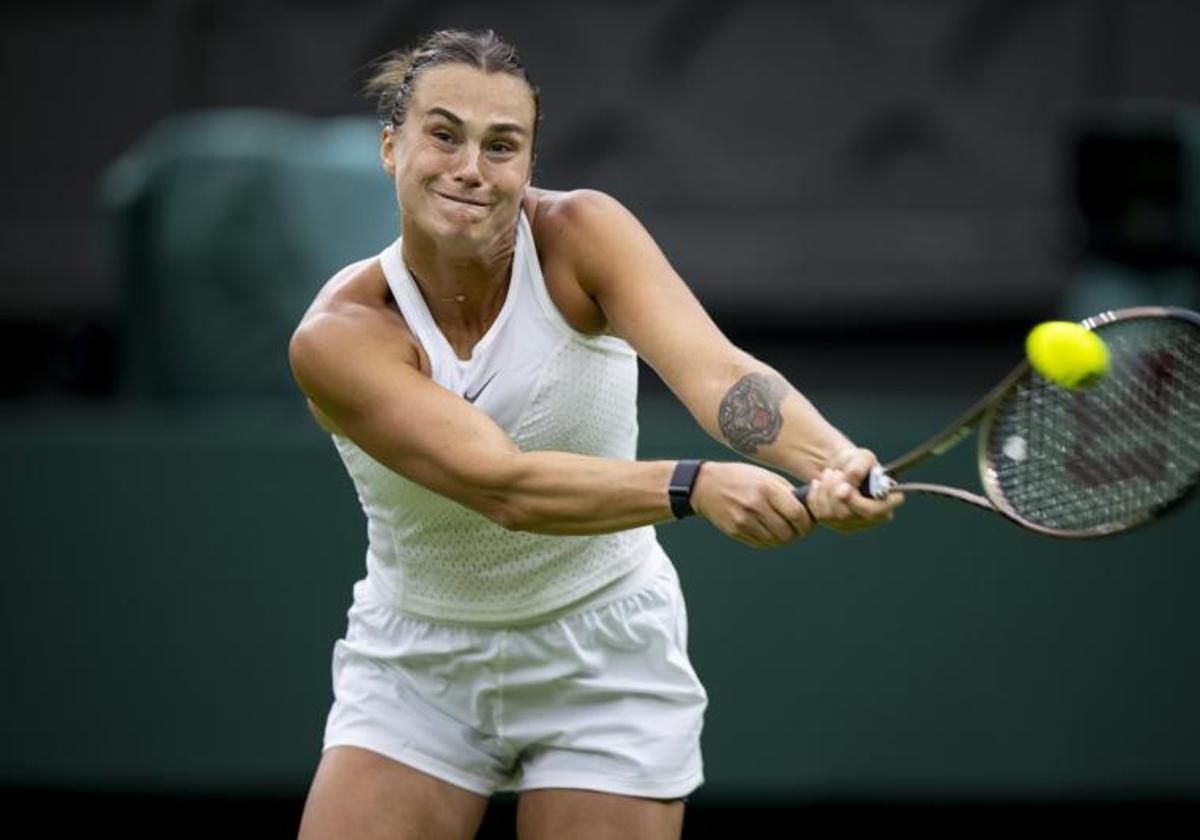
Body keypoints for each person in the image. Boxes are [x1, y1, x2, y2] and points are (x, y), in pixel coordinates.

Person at [290, 28, 902, 840]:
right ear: (391, 148)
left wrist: (831, 460)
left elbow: (718, 377)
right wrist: (696, 485)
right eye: (445, 135)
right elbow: (502, 487)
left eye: (501, 146)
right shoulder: (339, 336)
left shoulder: (582, 236)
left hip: (604, 650)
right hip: (416, 666)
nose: (471, 169)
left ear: (529, 166)